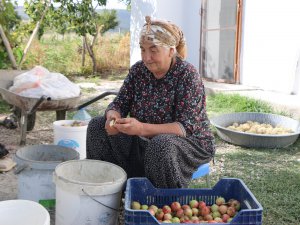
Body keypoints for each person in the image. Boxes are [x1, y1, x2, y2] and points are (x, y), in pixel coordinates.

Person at [86, 16, 215, 188]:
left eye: (154, 50)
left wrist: (141, 128)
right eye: (143, 50)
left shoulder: (187, 75)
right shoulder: (139, 71)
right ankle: (109, 191)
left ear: (171, 51)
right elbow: (120, 103)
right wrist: (112, 117)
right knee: (97, 126)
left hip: (188, 143)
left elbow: (185, 127)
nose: (147, 58)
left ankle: (163, 204)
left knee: (160, 145)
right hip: (143, 140)